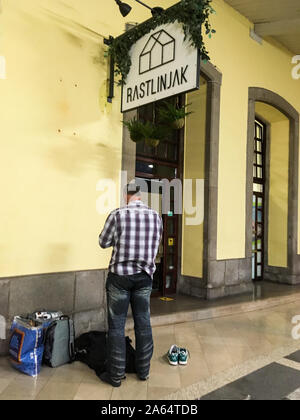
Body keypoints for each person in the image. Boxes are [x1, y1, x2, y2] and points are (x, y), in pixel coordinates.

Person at [98, 183, 163, 387]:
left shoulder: (117, 215)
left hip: (120, 277)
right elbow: (156, 242)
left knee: (117, 327)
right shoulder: (155, 217)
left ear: (127, 195)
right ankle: (143, 371)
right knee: (143, 324)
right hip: (144, 277)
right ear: (140, 195)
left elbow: (103, 241)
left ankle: (115, 376)